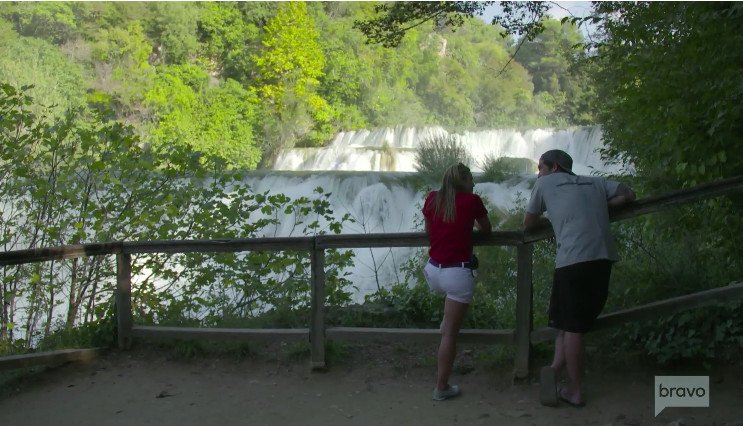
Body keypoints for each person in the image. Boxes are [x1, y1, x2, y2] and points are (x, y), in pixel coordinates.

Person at [523, 149, 635, 408]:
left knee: (572, 329)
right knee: (565, 322)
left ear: (554, 167)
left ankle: (575, 391)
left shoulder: (545, 183)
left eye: (540, 167)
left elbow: (528, 223)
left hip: (573, 259)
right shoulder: (594, 182)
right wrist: (598, 208)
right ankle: (554, 368)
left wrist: (556, 220)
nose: (538, 172)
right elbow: (628, 194)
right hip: (603, 257)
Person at [422, 163, 492, 401]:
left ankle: (446, 319)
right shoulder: (472, 201)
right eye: (471, 179)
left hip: (433, 270)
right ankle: (441, 388)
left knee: (448, 323)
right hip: (457, 274)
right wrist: (466, 226)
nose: (474, 184)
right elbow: (486, 230)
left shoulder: (432, 198)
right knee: (450, 335)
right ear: (463, 179)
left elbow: (429, 230)